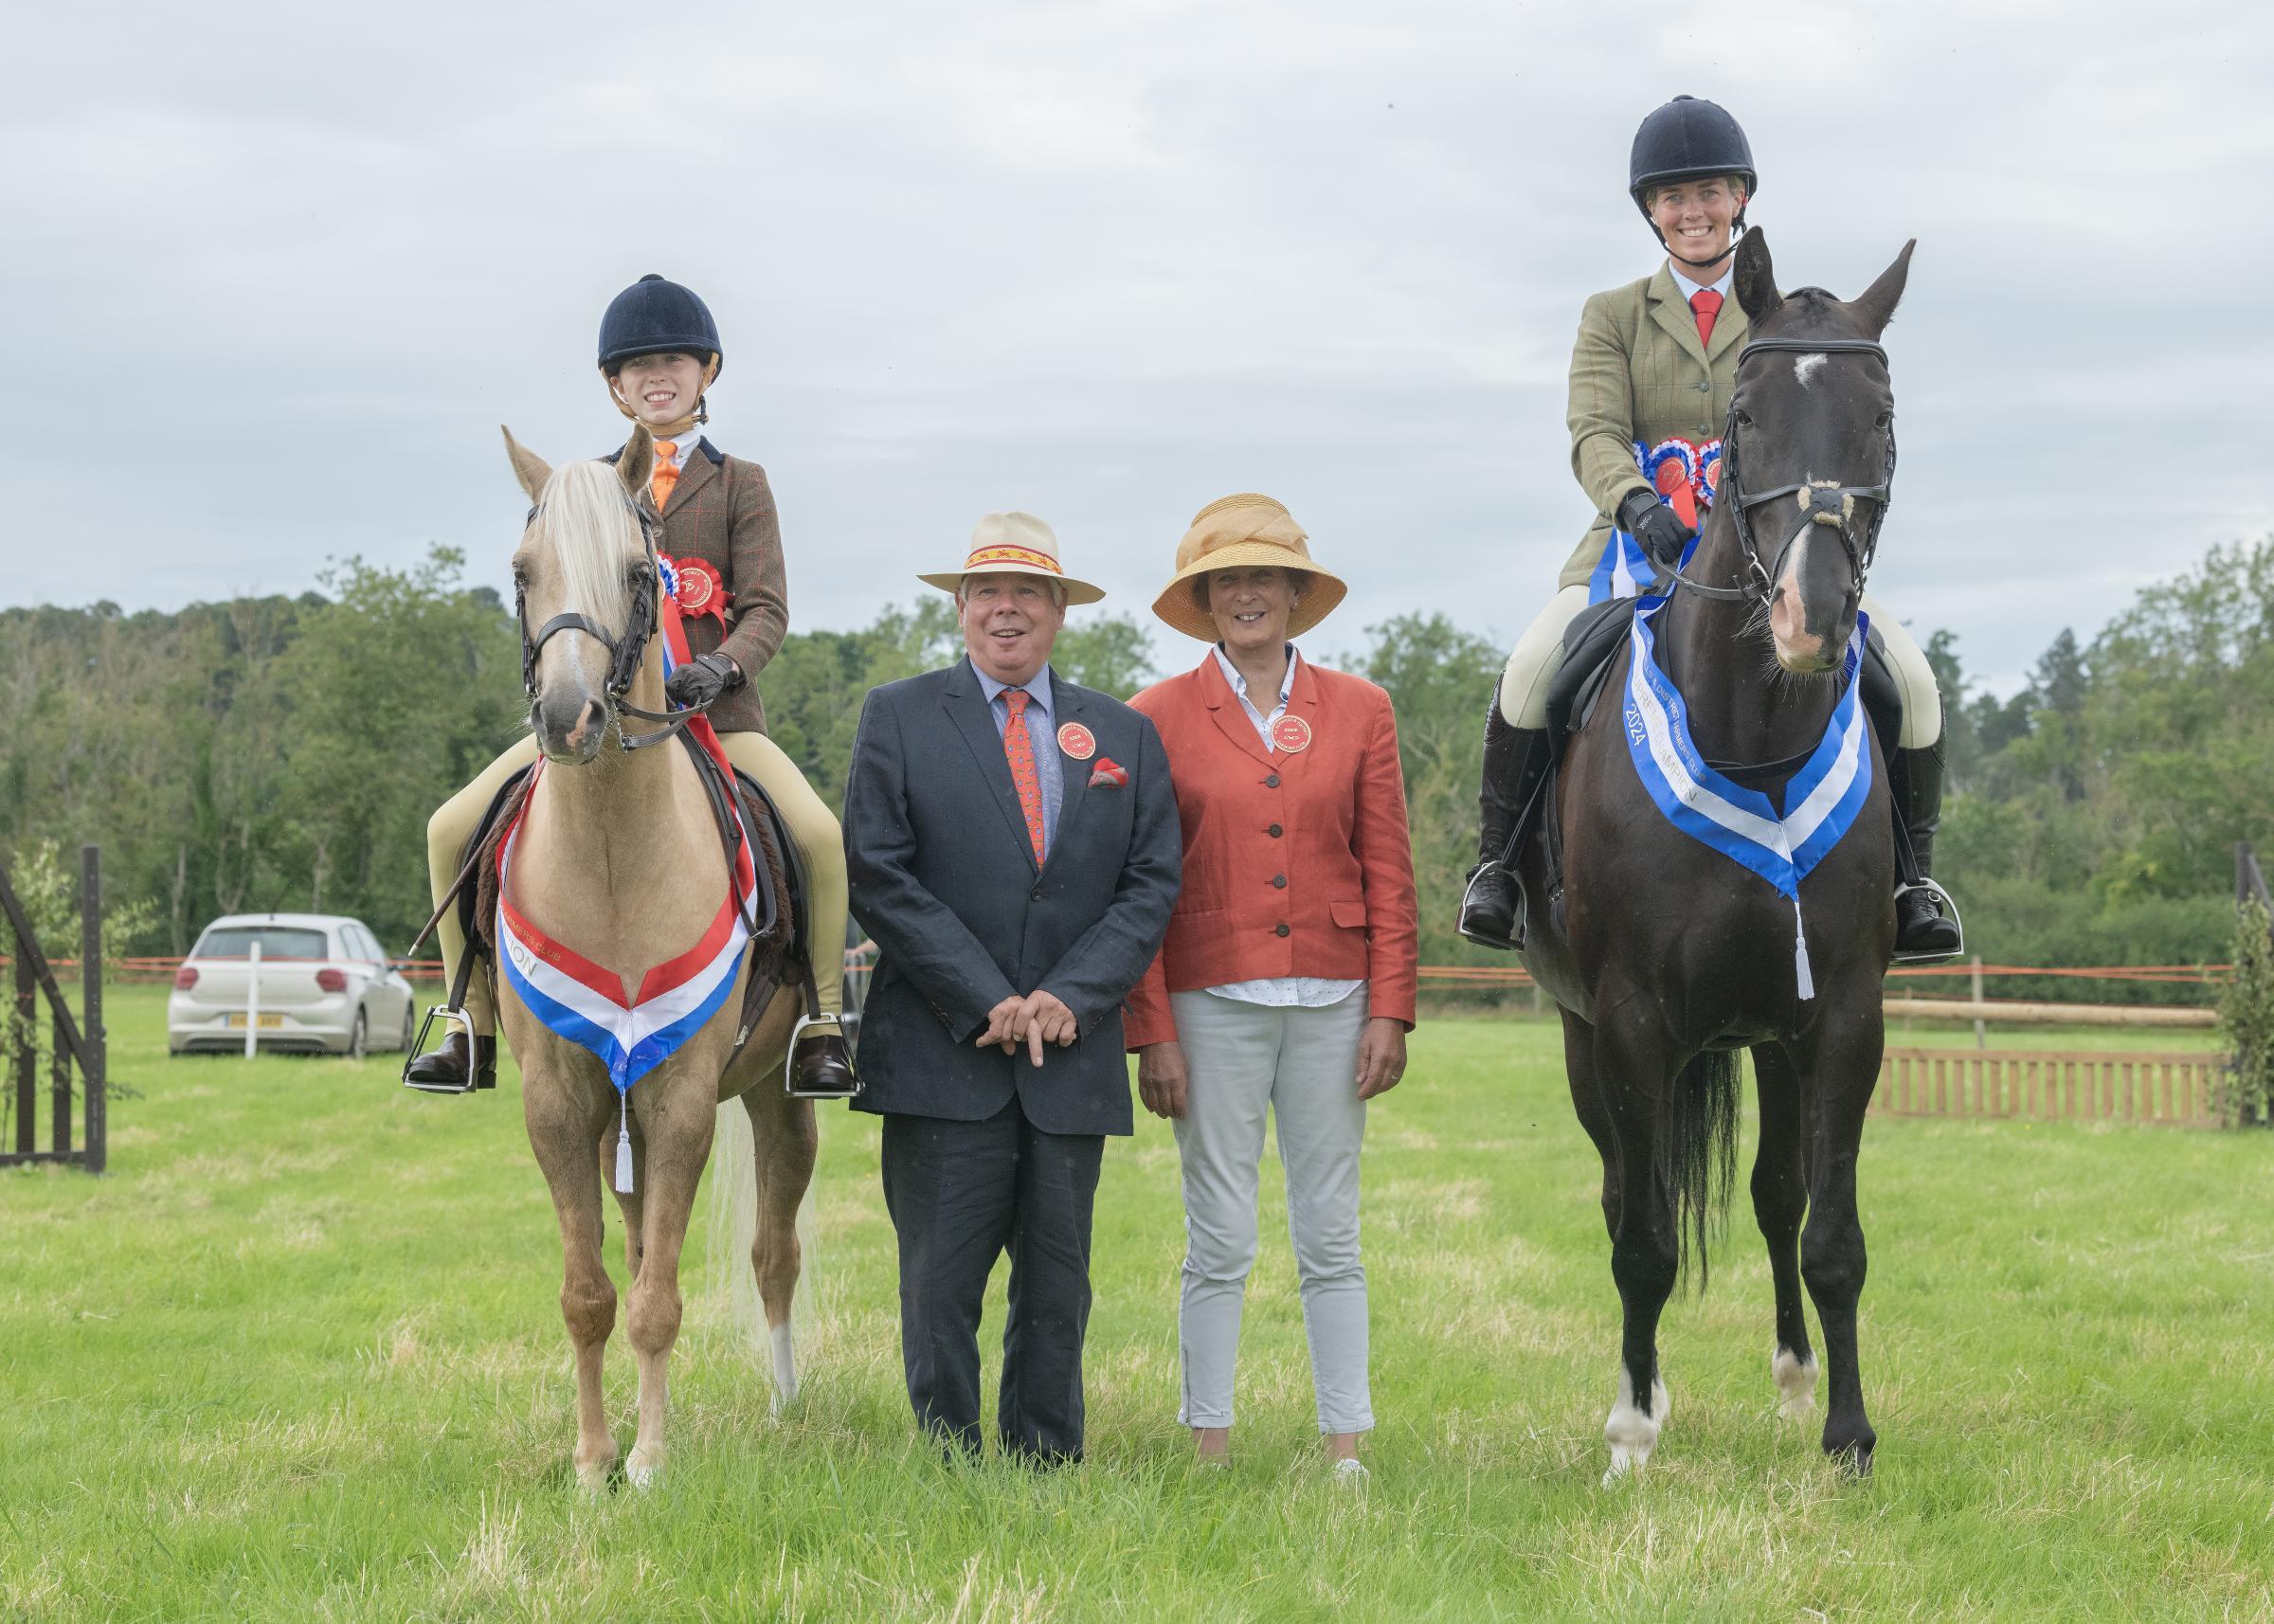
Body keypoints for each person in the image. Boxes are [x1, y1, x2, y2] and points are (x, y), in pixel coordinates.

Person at [1457, 97, 1962, 961]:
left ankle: (1913, 880)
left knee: (1912, 683)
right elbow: (1594, 432)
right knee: (1532, 669)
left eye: (1712, 191)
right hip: (1633, 550)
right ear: (1650, 211)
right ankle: (1499, 868)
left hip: (1775, 560)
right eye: (1673, 196)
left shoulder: (1792, 318)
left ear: (1741, 200)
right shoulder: (1612, 314)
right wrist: (1634, 503)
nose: (1693, 210)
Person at [406, 273, 858, 1097]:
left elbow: (766, 608)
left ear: (707, 372)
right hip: (599, 721)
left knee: (821, 837)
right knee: (447, 827)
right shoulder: (581, 491)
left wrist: (722, 668)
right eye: (638, 365)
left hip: (717, 719)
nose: (658, 376)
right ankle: (465, 1017)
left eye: (675, 361)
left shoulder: (740, 483)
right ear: (615, 387)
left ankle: (822, 1020)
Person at [841, 514, 1181, 1464]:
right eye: (987, 591)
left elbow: (1150, 883)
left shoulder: (1125, 735)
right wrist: (984, 996)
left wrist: (1075, 993)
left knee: (1060, 1283)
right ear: (959, 608)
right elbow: (878, 870)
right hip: (945, 1053)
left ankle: (1046, 1462)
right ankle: (950, 1460)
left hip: (1071, 1060)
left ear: (1060, 612)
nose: (1007, 610)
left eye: (1028, 593)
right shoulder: (897, 714)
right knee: (940, 1284)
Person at [1123, 494, 1419, 1478]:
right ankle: (1209, 1439)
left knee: (1332, 1234)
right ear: (1203, 600)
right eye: (1227, 581)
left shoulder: (1363, 707)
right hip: (1211, 1003)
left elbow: (1390, 867)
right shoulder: (1153, 718)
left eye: (1265, 577)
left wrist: (1391, 1007)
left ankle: (1346, 1445)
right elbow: (1141, 886)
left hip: (1336, 1001)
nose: (1247, 594)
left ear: (1297, 593)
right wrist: (1151, 1027)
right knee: (1220, 1236)